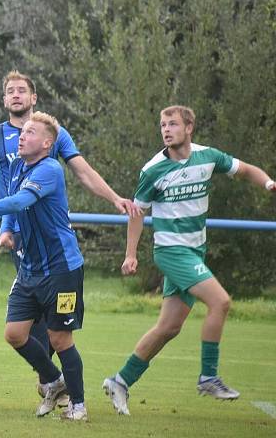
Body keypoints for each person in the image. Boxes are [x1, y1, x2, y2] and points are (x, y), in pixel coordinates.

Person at [0, 69, 139, 400]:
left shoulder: (53, 135)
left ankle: (57, 389)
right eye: (10, 91)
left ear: (33, 98)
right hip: (18, 238)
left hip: (51, 243)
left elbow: (83, 172)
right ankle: (52, 382)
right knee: (29, 323)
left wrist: (114, 197)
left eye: (22, 90)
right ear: (4, 100)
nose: (15, 95)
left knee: (50, 324)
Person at [103, 105, 276, 415]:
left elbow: (247, 169)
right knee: (221, 302)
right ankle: (208, 377)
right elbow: (137, 212)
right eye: (162, 125)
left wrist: (267, 183)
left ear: (189, 127)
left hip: (195, 251)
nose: (166, 130)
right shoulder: (153, 169)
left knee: (168, 328)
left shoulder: (207, 156)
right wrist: (130, 254)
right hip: (171, 252)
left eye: (172, 124)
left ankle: (120, 381)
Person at [0, 112, 89, 421]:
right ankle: (55, 382)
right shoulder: (19, 165)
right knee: (14, 333)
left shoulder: (49, 169)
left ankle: (79, 407)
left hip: (61, 269)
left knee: (60, 340)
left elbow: (20, 202)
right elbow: (12, 201)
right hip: (30, 268)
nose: (22, 136)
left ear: (47, 143)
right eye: (23, 132)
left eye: (30, 132)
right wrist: (6, 228)